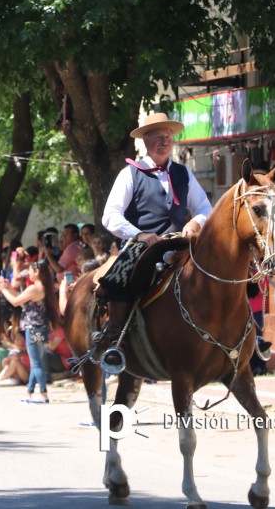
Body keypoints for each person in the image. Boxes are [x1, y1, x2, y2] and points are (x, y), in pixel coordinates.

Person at [98, 112, 213, 368]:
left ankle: (243, 334)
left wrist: (194, 222)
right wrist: (138, 234)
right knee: (118, 277)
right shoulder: (130, 173)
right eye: (158, 136)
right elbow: (110, 215)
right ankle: (115, 342)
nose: (164, 141)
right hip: (143, 244)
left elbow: (205, 207)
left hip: (181, 242)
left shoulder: (184, 173)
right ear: (146, 140)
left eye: (168, 136)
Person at [0, 260, 60, 404]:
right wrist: (7, 287)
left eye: (30, 270)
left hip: (33, 328)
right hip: (41, 328)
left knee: (36, 362)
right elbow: (22, 299)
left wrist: (3, 289)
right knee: (37, 360)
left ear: (37, 272)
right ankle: (30, 392)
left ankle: (43, 394)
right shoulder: (43, 287)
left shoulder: (34, 288)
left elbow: (15, 301)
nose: (28, 273)